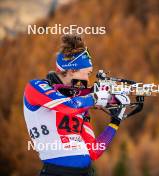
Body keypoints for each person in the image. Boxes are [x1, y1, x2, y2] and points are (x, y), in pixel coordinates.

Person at [23, 34, 130, 176]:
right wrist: (95, 97)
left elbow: (94, 151)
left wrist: (116, 121)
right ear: (72, 70)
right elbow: (68, 107)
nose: (88, 79)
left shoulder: (79, 102)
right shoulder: (36, 87)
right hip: (56, 172)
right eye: (87, 74)